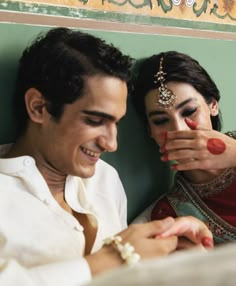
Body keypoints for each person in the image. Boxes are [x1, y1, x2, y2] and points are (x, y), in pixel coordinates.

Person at [0, 30, 213, 286]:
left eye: (116, 124)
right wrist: (114, 258)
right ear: (38, 107)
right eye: (94, 120)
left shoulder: (104, 178)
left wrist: (175, 262)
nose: (111, 144)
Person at [131, 50, 236, 244]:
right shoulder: (171, 215)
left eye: (189, 111)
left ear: (213, 105)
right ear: (150, 131)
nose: (179, 129)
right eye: (161, 121)